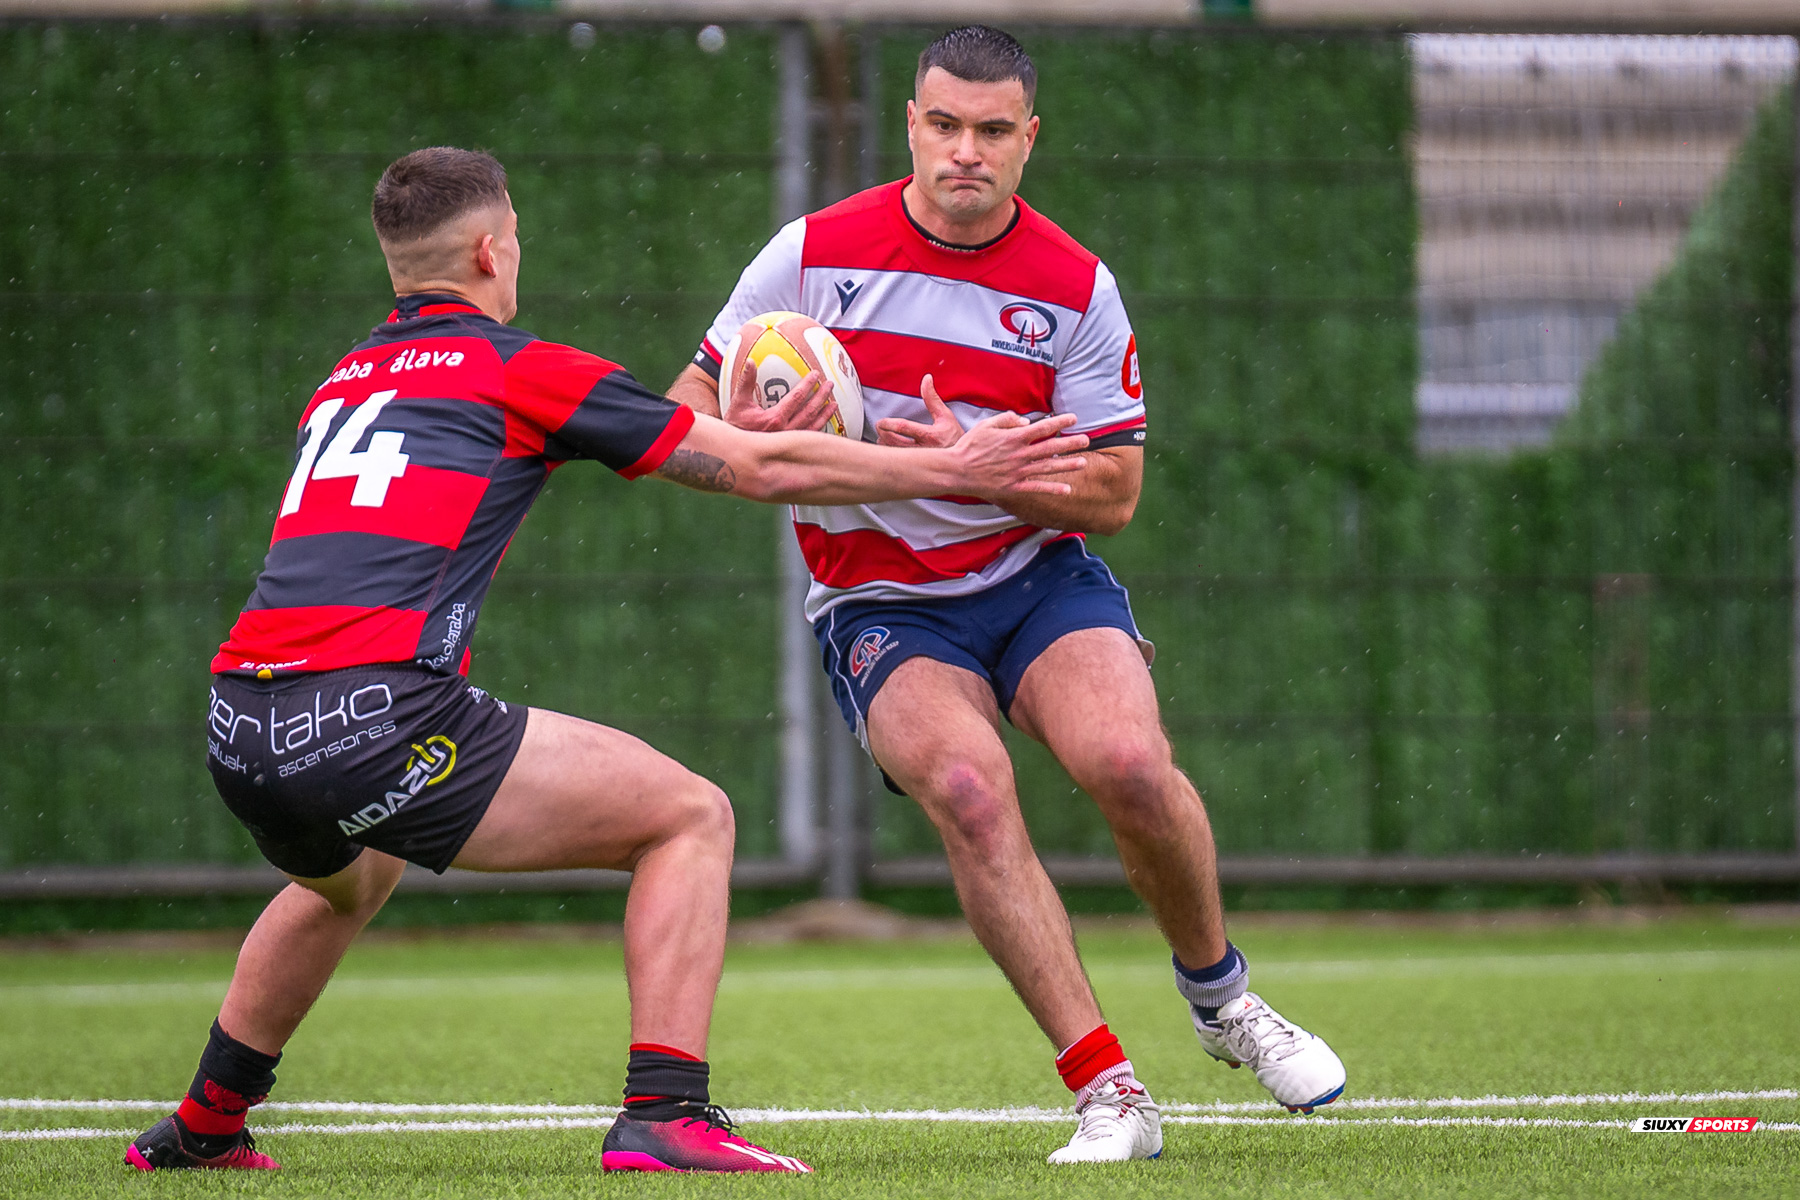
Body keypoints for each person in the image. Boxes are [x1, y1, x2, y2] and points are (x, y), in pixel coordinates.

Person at [126, 145, 1088, 1177]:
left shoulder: (347, 376)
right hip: (375, 719)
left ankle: (208, 1120)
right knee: (689, 815)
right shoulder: (520, 366)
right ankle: (665, 1112)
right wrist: (951, 463)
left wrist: (739, 426)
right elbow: (752, 472)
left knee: (347, 880)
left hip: (240, 728)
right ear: (494, 251)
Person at [667, 26, 1346, 1164]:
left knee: (1130, 766)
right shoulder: (811, 255)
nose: (964, 152)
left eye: (992, 131)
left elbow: (1116, 492)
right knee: (974, 792)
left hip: (1035, 577)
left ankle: (1222, 1000)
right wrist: (745, 432)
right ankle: (1110, 1094)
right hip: (878, 602)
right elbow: (684, 410)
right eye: (944, 126)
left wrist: (994, 463)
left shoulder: (1075, 286)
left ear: (1029, 140)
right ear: (912, 128)